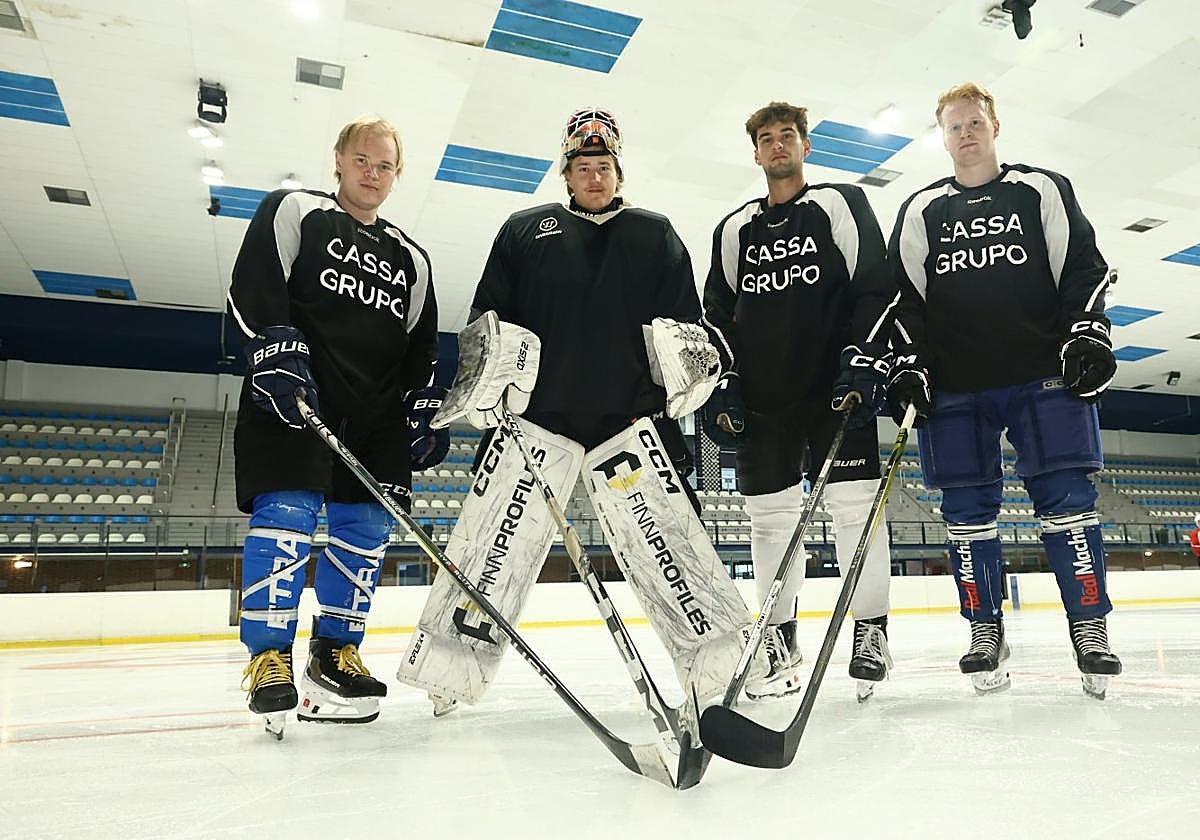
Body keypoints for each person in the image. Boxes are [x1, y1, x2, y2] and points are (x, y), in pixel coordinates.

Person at [396, 107, 765, 717]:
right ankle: (450, 667)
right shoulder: (523, 230)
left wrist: (691, 378)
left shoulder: (655, 234)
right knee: (493, 548)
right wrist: (489, 389)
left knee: (671, 550)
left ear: (619, 173)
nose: (594, 177)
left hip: (632, 424)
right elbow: (489, 320)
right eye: (583, 167)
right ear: (566, 174)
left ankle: (718, 670)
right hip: (539, 421)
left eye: (604, 167)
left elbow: (685, 327)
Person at [886, 82, 1122, 699]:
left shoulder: (1040, 188)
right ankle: (984, 628)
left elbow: (1081, 267)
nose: (965, 134)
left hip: (1042, 372)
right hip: (956, 385)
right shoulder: (919, 209)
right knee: (965, 513)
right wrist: (906, 363)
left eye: (974, 123)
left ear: (994, 126)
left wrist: (1089, 334)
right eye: (954, 126)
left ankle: (1090, 628)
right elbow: (903, 297)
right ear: (942, 137)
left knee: (1069, 502)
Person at [227, 115, 446, 736]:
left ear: (396, 175)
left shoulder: (412, 258)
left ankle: (336, 650)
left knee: (366, 529)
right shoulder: (296, 210)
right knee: (288, 515)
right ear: (339, 161)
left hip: (372, 413)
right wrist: (274, 351)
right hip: (296, 392)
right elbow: (253, 287)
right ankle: (269, 656)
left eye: (384, 165)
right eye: (362, 160)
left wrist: (420, 409)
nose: (371, 173)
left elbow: (420, 348)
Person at [701, 101, 899, 702]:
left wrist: (862, 359)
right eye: (767, 138)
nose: (778, 145)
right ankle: (780, 639)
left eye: (788, 135)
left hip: (836, 390)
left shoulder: (839, 204)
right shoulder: (735, 228)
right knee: (770, 521)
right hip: (766, 400)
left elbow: (875, 284)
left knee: (855, 509)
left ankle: (870, 631)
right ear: (755, 153)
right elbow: (715, 315)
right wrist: (725, 381)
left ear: (805, 146)